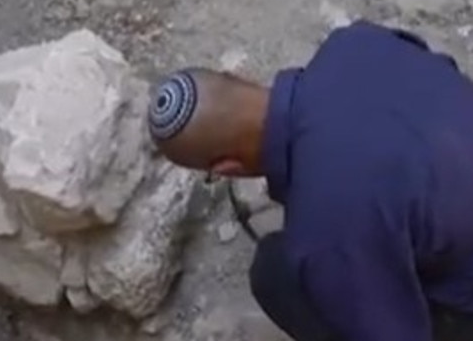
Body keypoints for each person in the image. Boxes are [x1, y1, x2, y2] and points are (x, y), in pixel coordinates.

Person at [147, 20, 473, 341]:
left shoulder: (324, 231)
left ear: (227, 168)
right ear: (239, 78)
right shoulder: (352, 43)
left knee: (275, 273)